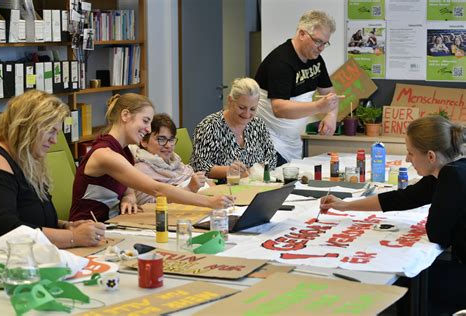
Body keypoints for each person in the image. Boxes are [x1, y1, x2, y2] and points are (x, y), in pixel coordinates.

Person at [320, 115, 466, 313]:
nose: (407, 159)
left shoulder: (451, 177)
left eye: (411, 153)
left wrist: (440, 205)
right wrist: (346, 206)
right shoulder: (451, 169)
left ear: (431, 156)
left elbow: (437, 234)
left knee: (408, 282)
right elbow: (403, 198)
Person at [70, 93, 232, 222]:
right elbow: (157, 189)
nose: (148, 130)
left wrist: (129, 197)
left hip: (114, 223)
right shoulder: (105, 154)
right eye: (145, 121)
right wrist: (209, 203)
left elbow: (127, 186)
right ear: (125, 115)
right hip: (88, 228)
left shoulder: (124, 151)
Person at [0, 90, 105, 248]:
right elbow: (6, 229)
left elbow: (31, 217)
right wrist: (72, 237)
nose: (54, 140)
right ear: (28, 126)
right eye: (51, 131)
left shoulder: (26, 159)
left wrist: (66, 226)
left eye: (56, 133)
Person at [254, 9, 339, 166]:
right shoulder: (281, 62)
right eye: (318, 41)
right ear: (302, 34)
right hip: (269, 140)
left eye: (325, 43)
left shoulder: (316, 60)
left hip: (292, 140)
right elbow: (279, 108)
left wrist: (332, 115)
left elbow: (330, 94)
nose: (321, 48)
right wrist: (318, 106)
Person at [190, 77, 277, 181]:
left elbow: (271, 158)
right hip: (222, 189)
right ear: (230, 100)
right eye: (242, 107)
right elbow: (200, 167)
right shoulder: (209, 126)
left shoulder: (258, 124)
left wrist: (254, 171)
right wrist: (229, 171)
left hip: (255, 185)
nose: (247, 114)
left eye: (253, 109)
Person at [129, 113, 211, 204]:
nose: (168, 146)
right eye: (161, 139)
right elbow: (147, 206)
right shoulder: (141, 169)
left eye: (171, 139)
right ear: (144, 141)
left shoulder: (176, 162)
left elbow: (200, 181)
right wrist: (189, 188)